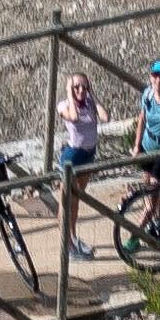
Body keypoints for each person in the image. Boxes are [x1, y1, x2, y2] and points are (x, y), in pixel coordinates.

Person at [51, 71, 103, 263]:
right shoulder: (63, 105)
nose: (81, 90)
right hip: (72, 158)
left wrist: (93, 96)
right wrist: (69, 94)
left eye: (84, 86)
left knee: (76, 200)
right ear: (70, 89)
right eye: (76, 87)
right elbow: (72, 117)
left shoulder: (90, 103)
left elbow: (105, 116)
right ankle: (67, 245)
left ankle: (73, 237)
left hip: (88, 155)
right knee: (66, 203)